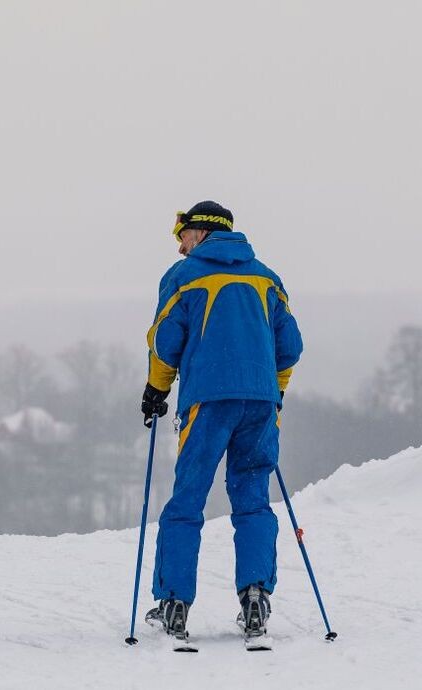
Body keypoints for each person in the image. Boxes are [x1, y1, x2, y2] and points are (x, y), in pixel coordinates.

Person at [140, 200, 303, 643]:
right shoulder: (267, 278)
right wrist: (276, 393)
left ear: (201, 232)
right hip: (260, 403)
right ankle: (255, 597)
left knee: (188, 498)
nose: (179, 247)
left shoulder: (184, 276)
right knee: (252, 499)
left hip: (208, 402)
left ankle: (174, 602)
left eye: (183, 237)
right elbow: (289, 348)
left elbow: (165, 343)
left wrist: (156, 390)